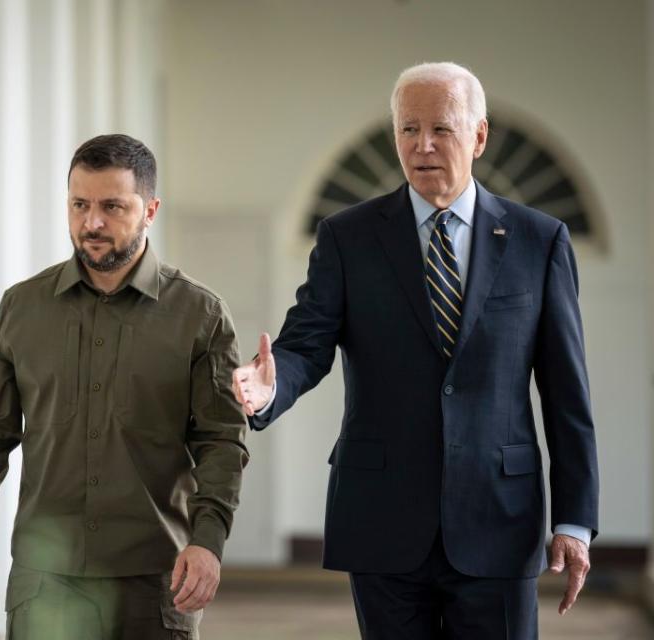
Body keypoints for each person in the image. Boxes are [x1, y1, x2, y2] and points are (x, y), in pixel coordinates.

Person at [232, 62, 599, 639]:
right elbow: (306, 343)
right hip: (381, 513)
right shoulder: (347, 237)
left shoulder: (539, 240)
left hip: (499, 519)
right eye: (407, 129)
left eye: (441, 129)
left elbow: (566, 393)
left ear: (478, 137)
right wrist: (269, 386)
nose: (421, 146)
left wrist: (575, 519)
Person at [0, 134, 249, 639]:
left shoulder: (200, 314)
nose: (92, 223)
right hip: (45, 583)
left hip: (154, 583)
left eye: (112, 206)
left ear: (150, 210)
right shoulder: (22, 307)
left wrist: (208, 541)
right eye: (79, 205)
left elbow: (221, 441)